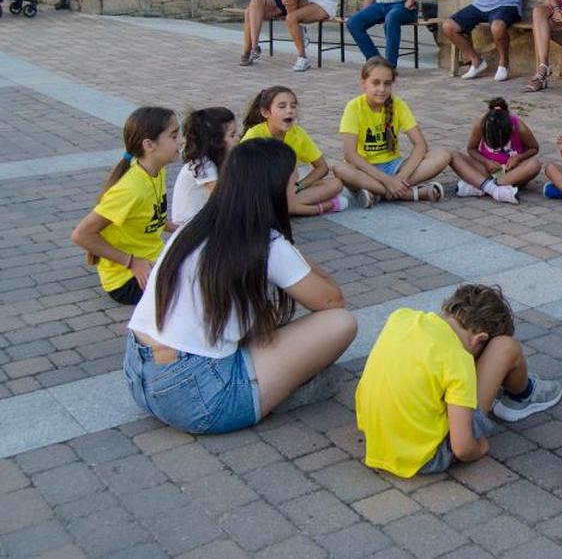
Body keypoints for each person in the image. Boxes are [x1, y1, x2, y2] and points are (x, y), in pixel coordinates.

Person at [124, 139, 358, 434]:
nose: (296, 189)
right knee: (340, 323)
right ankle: (272, 393)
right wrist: (287, 246)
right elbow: (332, 301)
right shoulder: (266, 242)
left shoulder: (193, 228)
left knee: (262, 322)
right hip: (202, 398)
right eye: (291, 183)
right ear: (271, 189)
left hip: (138, 374)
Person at [356, 284, 562, 477]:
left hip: (376, 439)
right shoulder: (458, 360)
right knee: (506, 347)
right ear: (480, 339)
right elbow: (462, 448)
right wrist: (480, 448)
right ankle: (522, 396)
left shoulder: (401, 317)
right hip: (424, 457)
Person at [71, 107, 178, 306]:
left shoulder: (156, 171)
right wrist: (132, 262)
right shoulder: (130, 189)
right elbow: (81, 235)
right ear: (149, 145)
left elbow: (151, 217)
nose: (179, 142)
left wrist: (180, 229)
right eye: (173, 136)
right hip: (127, 281)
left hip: (154, 260)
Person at [331, 57, 452, 208]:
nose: (382, 89)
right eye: (376, 83)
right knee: (339, 169)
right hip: (364, 169)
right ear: (363, 83)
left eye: (387, 84)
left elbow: (420, 144)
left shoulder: (398, 104)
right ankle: (408, 193)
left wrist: (400, 178)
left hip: (394, 166)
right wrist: (387, 181)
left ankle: (378, 193)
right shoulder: (354, 107)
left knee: (443, 155)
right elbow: (350, 154)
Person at [242, 86, 347, 216]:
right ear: (265, 113)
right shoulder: (254, 135)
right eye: (282, 106)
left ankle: (289, 208)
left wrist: (299, 186)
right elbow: (241, 174)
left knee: (335, 184)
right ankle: (324, 206)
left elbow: (322, 167)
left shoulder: (297, 133)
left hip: (289, 192)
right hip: (261, 194)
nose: (290, 111)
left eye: (293, 106)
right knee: (273, 204)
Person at [449, 97, 540, 204]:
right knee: (453, 156)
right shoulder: (481, 125)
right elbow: (471, 149)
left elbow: (534, 148)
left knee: (535, 164)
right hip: (486, 170)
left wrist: (518, 158)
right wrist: (486, 162)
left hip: (512, 173)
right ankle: (496, 189)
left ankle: (482, 186)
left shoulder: (519, 126)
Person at [171, 107, 239, 225]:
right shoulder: (203, 164)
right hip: (189, 225)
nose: (238, 138)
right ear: (216, 141)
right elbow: (222, 197)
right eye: (232, 135)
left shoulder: (220, 160)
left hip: (202, 220)